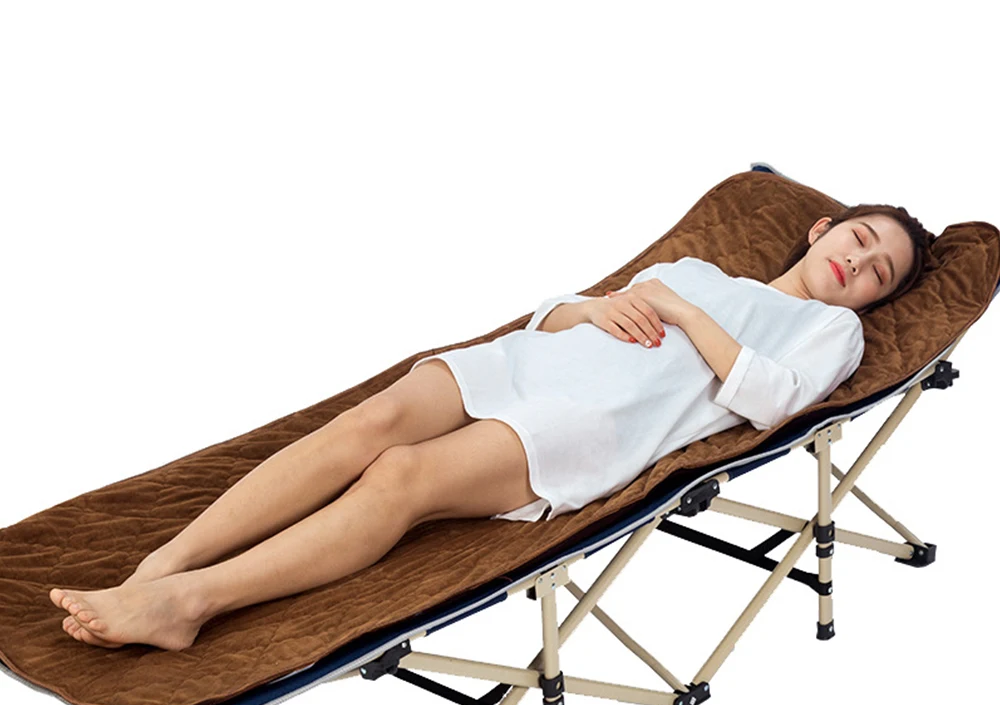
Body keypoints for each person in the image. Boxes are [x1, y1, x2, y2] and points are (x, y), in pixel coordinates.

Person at [49, 204, 936, 651]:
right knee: (375, 418)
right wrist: (597, 307)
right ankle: (163, 562)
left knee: (401, 475)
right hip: (538, 360)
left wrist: (677, 310)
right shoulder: (699, 265)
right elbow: (560, 313)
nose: (857, 264)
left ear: (875, 299)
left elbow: (773, 401)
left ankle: (189, 603)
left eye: (878, 273)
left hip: (592, 420)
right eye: (859, 240)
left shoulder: (833, 332)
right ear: (823, 227)